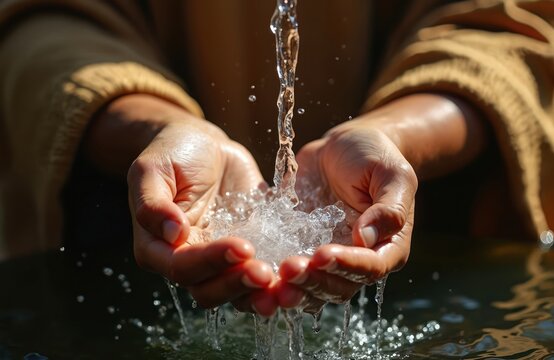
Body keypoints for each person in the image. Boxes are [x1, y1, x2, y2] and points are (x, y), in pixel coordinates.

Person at [0, 0, 552, 317]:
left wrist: (395, 136)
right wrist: (159, 126)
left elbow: (502, 25)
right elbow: (50, 18)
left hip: (447, 253)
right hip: (103, 238)